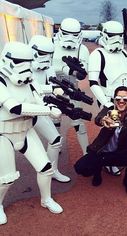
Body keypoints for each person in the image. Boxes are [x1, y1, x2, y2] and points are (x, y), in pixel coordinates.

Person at [0, 42, 63, 225]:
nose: (25, 67)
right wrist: (47, 111)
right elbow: (15, 107)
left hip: (26, 131)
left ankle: (46, 199)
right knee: (6, 179)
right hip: (4, 134)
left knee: (45, 168)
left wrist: (50, 99)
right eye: (20, 61)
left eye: (28, 62)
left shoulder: (28, 79)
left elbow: (38, 96)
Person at [88, 20, 127, 175]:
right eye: (113, 36)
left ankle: (124, 157)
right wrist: (106, 104)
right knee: (111, 131)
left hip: (125, 100)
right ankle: (108, 161)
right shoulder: (98, 54)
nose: (117, 39)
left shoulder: (124, 53)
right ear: (104, 35)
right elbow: (93, 82)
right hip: (109, 98)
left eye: (120, 36)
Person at [74, 86, 127, 196]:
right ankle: (97, 172)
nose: (121, 101)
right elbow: (98, 118)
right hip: (101, 153)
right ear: (114, 99)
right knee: (80, 167)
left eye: (125, 99)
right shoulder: (109, 110)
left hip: (120, 153)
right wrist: (103, 120)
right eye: (118, 98)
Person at [29, 34, 70, 183]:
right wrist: (51, 89)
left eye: (48, 55)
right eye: (42, 54)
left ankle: (53, 171)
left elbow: (54, 85)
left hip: (40, 110)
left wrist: (59, 93)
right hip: (18, 112)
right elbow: (29, 87)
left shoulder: (48, 68)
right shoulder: (23, 66)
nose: (45, 58)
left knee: (56, 140)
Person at [52, 17, 90, 155]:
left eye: (74, 35)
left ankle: (87, 153)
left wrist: (79, 71)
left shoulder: (82, 49)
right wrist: (66, 69)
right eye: (67, 34)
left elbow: (83, 71)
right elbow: (47, 66)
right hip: (53, 87)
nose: (70, 38)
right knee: (54, 119)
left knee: (78, 121)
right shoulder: (51, 44)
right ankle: (56, 146)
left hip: (73, 88)